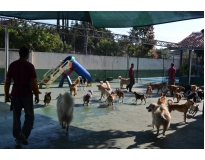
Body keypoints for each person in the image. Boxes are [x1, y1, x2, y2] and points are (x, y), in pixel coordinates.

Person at [4, 47, 41, 147]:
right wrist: (37, 94)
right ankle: (23, 134)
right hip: (26, 93)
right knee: (29, 116)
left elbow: (7, 82)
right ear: (27, 55)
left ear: (19, 54)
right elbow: (33, 82)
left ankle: (17, 138)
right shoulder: (30, 66)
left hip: (15, 93)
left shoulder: (12, 65)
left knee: (16, 117)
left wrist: (7, 94)